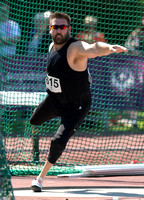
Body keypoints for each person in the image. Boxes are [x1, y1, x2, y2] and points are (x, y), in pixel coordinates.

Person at [30, 11, 128, 192]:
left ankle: (40, 178)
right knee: (34, 120)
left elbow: (92, 48)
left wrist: (109, 48)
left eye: (62, 27)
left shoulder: (75, 47)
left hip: (76, 106)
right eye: (55, 27)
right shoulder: (51, 45)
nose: (58, 30)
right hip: (55, 99)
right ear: (50, 29)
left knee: (58, 141)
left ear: (69, 29)